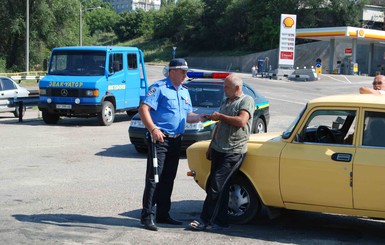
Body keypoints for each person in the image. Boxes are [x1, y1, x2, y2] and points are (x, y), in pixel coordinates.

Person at [139, 58, 208, 232]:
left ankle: (163, 213)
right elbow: (143, 109)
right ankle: (147, 216)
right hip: (160, 140)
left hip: (177, 139)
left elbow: (188, 115)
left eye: (186, 72)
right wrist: (153, 128)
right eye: (183, 71)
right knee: (155, 178)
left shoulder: (184, 91)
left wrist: (201, 117)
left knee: (168, 178)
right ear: (172, 72)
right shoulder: (159, 88)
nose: (186, 74)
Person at [189, 73, 255, 231]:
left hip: (233, 150)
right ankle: (221, 221)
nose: (224, 89)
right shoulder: (226, 101)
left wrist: (221, 117)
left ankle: (205, 220)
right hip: (219, 148)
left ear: (237, 88)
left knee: (216, 186)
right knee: (218, 185)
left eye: (226, 87)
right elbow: (219, 124)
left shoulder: (246, 100)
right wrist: (211, 145)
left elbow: (241, 121)